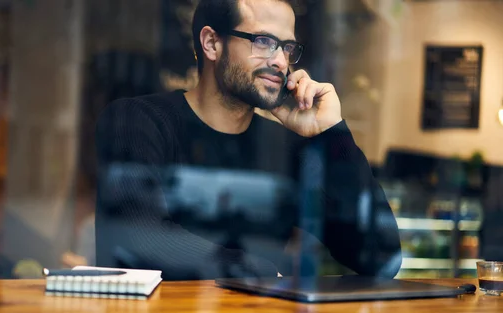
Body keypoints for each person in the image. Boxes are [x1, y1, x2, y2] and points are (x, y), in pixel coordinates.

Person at [95, 0, 402, 280]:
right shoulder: (137, 121)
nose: (281, 62)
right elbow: (139, 236)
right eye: (264, 42)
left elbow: (380, 258)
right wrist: (260, 271)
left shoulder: (285, 149)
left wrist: (332, 133)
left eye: (287, 47)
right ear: (212, 43)